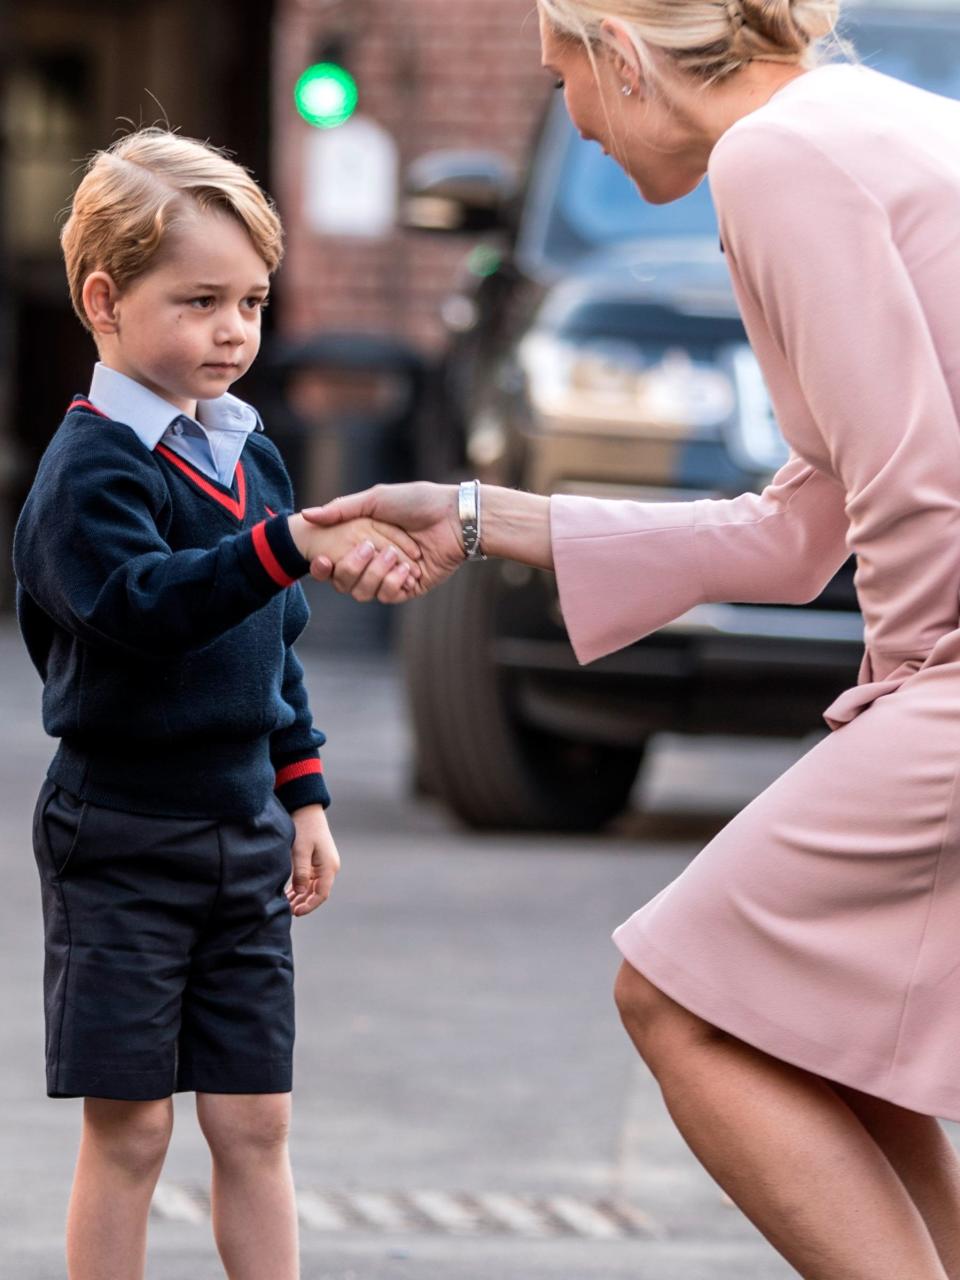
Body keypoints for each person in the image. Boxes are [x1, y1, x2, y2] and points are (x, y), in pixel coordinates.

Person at [303, 2, 960, 1276]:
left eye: (564, 87)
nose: (585, 128)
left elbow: (914, 480)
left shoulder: (781, 158)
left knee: (677, 1000)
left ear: (623, 53)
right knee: (820, 1036)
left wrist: (911, 691)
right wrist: (479, 513)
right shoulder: (855, 125)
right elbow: (805, 523)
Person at [12, 128, 420, 1280]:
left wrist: (304, 795)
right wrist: (285, 545)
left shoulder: (253, 457)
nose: (234, 330)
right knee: (132, 1127)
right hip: (123, 835)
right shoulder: (89, 471)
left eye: (251, 300)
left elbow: (270, 643)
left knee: (255, 1122)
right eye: (199, 300)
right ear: (104, 299)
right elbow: (143, 605)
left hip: (245, 834)